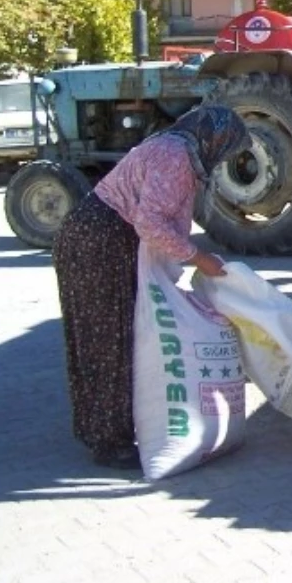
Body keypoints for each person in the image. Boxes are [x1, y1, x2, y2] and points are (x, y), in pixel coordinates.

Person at [52, 104, 250, 469]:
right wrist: (199, 258)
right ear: (213, 139)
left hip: (103, 236)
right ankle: (109, 441)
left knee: (112, 334)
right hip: (100, 241)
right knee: (108, 338)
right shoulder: (175, 156)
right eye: (224, 149)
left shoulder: (177, 150)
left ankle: (100, 428)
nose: (222, 159)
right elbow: (152, 223)